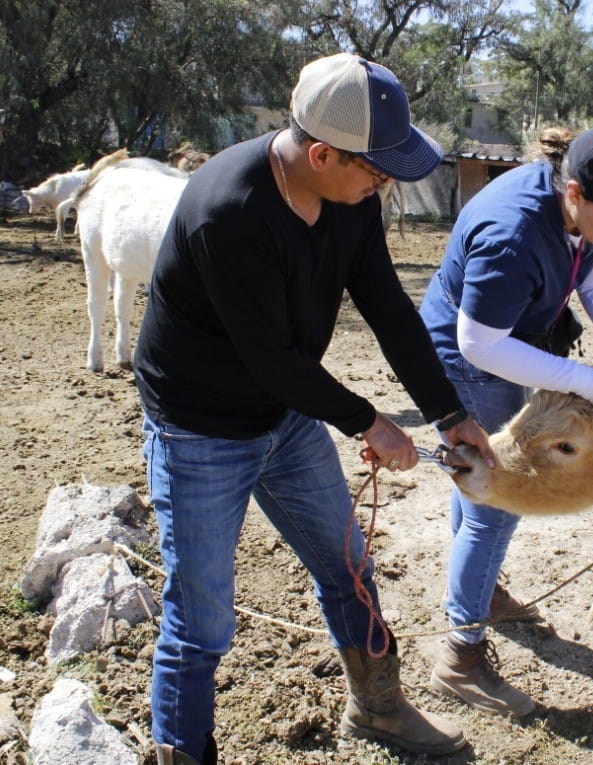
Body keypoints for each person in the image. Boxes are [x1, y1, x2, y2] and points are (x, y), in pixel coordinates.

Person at [133, 52, 493, 764]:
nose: (383, 184)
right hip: (199, 426)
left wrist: (449, 411)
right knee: (201, 619)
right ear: (322, 153)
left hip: (284, 413)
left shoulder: (349, 200)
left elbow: (387, 306)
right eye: (375, 170)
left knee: (347, 567)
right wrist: (368, 420)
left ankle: (379, 708)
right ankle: (183, 751)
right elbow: (272, 358)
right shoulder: (227, 212)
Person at [418, 121, 593, 715]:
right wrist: (592, 382)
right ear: (576, 194)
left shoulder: (585, 212)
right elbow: (481, 344)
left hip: (518, 340)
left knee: (479, 486)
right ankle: (460, 655)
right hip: (471, 356)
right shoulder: (513, 235)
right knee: (501, 492)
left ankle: (477, 590)